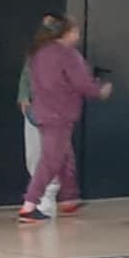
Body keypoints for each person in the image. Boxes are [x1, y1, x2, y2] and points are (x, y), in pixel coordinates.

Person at [18, 16, 112, 225]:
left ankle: (68, 197)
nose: (78, 36)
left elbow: (32, 81)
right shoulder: (68, 55)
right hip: (60, 113)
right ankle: (30, 205)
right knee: (51, 159)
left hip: (42, 110)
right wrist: (100, 90)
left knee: (60, 155)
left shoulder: (38, 53)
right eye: (76, 31)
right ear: (66, 33)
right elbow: (82, 83)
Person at [15, 12, 66, 215]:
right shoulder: (35, 52)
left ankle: (48, 199)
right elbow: (26, 75)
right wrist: (24, 98)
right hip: (34, 108)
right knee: (33, 153)